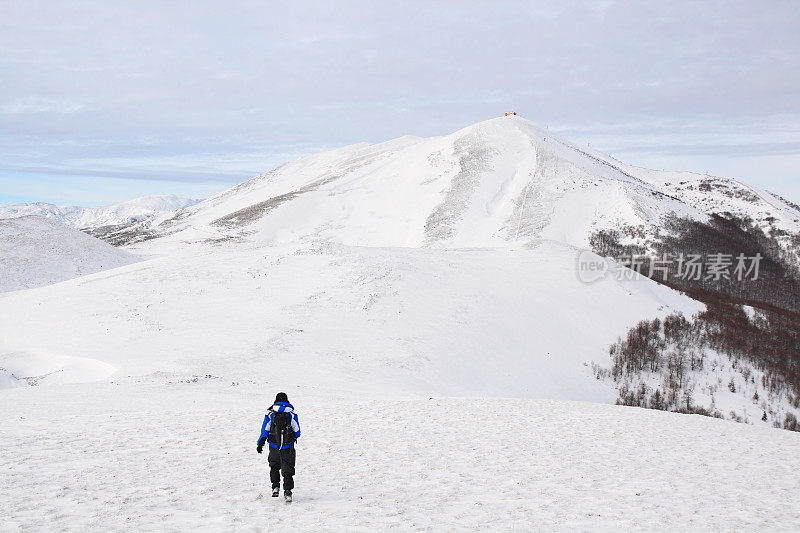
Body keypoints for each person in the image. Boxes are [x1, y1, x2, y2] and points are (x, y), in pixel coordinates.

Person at [257, 392, 301, 502]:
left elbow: (265, 431)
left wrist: (260, 443)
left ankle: (275, 487)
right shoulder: (291, 413)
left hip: (274, 446)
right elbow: (297, 431)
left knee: (274, 466)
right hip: (287, 447)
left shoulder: (271, 413)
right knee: (288, 469)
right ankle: (288, 492)